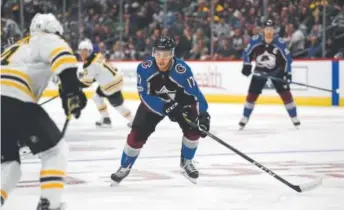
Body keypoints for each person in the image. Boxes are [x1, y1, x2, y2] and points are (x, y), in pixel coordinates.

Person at [0, 13, 87, 210]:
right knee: (55, 152)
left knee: (9, 166)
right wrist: (73, 91)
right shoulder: (46, 38)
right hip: (15, 99)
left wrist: (66, 91)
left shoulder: (16, 48)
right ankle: (50, 204)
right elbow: (63, 58)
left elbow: (54, 73)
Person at [110, 36, 211, 184]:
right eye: (158, 54)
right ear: (153, 53)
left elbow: (196, 94)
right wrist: (165, 106)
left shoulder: (182, 70)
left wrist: (203, 114)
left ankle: (187, 162)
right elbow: (144, 95)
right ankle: (124, 166)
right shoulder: (144, 68)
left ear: (172, 54)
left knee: (194, 128)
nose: (161, 59)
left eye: (165, 54)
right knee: (136, 135)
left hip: (180, 101)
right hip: (154, 104)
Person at [239, 19, 301, 129]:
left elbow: (288, 59)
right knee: (251, 95)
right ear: (263, 29)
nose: (269, 31)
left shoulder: (280, 42)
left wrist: (288, 73)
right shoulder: (255, 40)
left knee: (286, 94)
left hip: (276, 72)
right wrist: (247, 64)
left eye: (271, 29)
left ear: (274, 30)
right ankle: (245, 117)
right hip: (259, 72)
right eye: (267, 29)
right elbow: (246, 53)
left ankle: (294, 117)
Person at [77, 39, 133, 127]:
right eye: (80, 51)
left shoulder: (89, 65)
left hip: (110, 86)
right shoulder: (97, 55)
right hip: (116, 79)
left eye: (83, 51)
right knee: (96, 97)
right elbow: (99, 72)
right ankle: (106, 119)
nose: (81, 53)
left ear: (89, 51)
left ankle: (135, 121)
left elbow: (87, 84)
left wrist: (75, 84)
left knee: (118, 106)